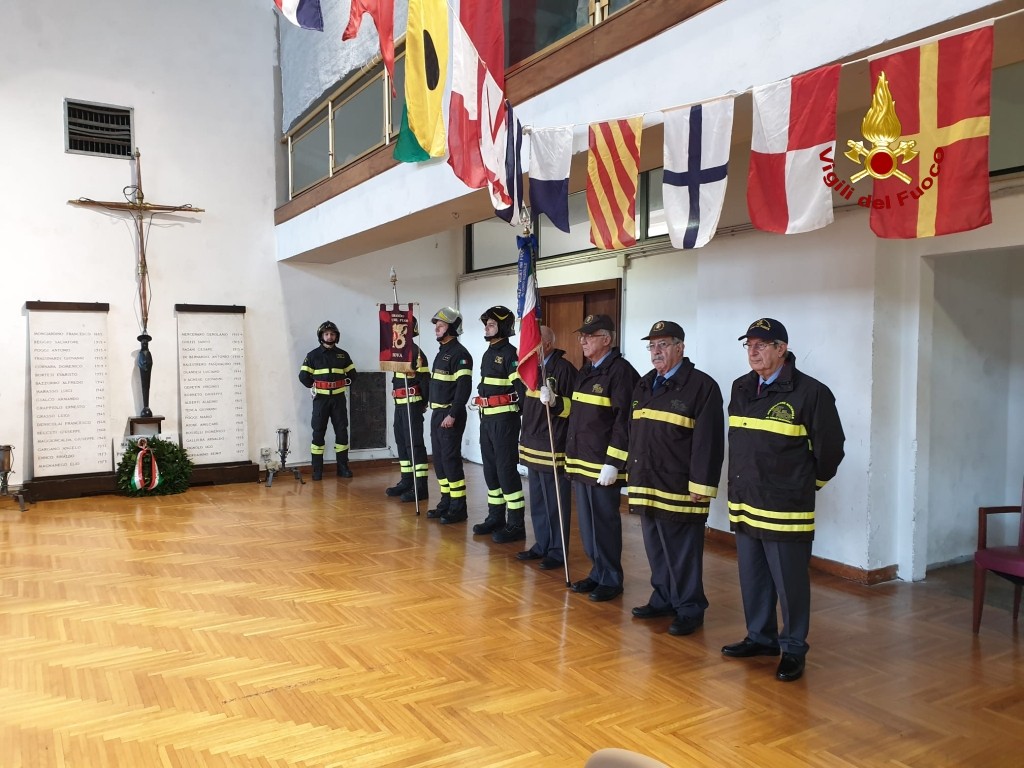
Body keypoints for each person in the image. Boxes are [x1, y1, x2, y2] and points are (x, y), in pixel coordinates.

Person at [722, 318, 845, 682]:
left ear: (782, 349)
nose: (753, 351)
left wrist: (805, 485)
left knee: (790, 584)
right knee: (753, 578)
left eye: (761, 345)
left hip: (785, 508)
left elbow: (831, 450)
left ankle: (793, 648)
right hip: (746, 502)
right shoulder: (741, 386)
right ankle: (760, 637)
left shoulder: (811, 393)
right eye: (749, 345)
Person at [627, 321, 724, 636]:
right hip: (647, 482)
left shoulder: (701, 386)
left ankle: (690, 608)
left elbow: (708, 441)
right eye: (652, 346)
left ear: (680, 347)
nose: (656, 351)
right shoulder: (645, 384)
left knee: (682, 553)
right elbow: (634, 433)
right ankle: (664, 598)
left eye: (664, 344)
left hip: (680, 487)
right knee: (656, 548)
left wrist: (701, 485)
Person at [564, 314, 639, 602]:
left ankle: (611, 578)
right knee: (588, 524)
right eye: (582, 336)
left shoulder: (620, 372)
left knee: (604, 523)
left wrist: (614, 462)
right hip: (582, 461)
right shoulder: (587, 370)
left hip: (601, 464)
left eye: (589, 336)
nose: (583, 341)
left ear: (606, 339)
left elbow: (624, 421)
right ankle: (598, 572)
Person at [522, 326, 577, 569]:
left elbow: (574, 408)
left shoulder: (564, 369)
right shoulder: (531, 369)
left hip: (552, 443)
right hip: (533, 443)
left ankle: (557, 550)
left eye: (532, 343)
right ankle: (542, 544)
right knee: (537, 501)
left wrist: (556, 402)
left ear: (546, 344)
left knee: (555, 503)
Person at [471, 306, 528, 542]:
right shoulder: (489, 353)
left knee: (506, 470)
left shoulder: (510, 354)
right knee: (490, 469)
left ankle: (516, 524)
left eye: (492, 324)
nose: (487, 328)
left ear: (504, 327)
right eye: (486, 324)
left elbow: (521, 390)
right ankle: (496, 517)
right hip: (487, 419)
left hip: (505, 421)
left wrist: (521, 417)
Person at [426, 307, 473, 524]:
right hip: (438, 414)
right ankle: (446, 501)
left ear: (453, 328)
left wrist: (453, 414)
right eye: (436, 325)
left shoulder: (460, 354)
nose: (437, 329)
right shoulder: (442, 352)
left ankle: (458, 507)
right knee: (439, 460)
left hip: (449, 415)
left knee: (450, 460)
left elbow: (463, 388)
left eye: (441, 325)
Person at [298, 320, 357, 480]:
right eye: (326, 334)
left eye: (332, 334)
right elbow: (303, 376)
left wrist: (344, 382)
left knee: (342, 433)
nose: (329, 336)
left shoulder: (343, 355)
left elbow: (353, 375)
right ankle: (317, 470)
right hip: (321, 401)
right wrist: (314, 386)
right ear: (321, 336)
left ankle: (343, 467)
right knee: (318, 433)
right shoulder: (313, 355)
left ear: (336, 336)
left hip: (338, 400)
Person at [385, 316, 431, 502]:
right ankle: (407, 480)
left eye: (401, 328)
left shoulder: (416, 353)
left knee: (414, 444)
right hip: (400, 405)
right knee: (402, 442)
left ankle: (420, 486)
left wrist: (423, 404)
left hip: (412, 404)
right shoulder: (398, 353)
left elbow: (425, 382)